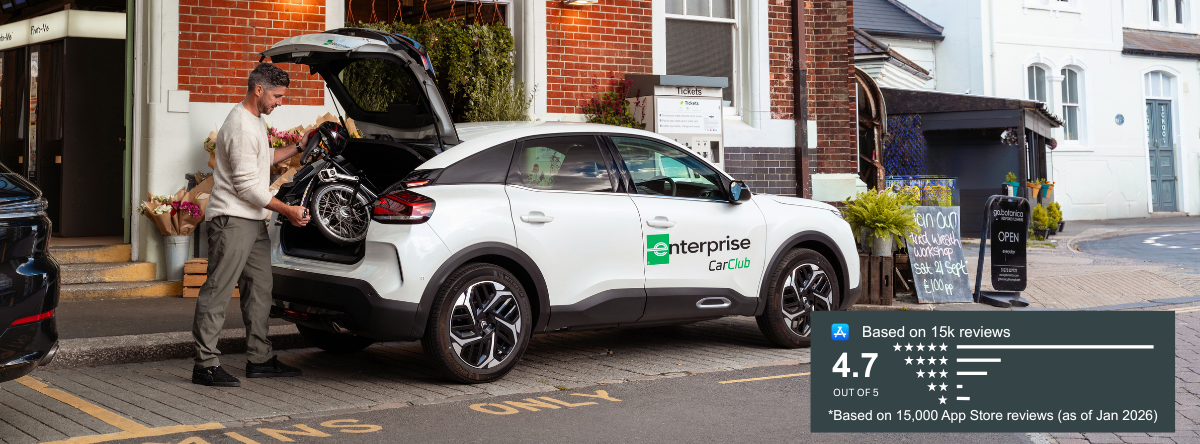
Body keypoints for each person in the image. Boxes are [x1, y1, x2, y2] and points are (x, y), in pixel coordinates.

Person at [192, 63, 312, 387]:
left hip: (253, 221)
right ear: (258, 90)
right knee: (217, 291)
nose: (280, 102)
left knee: (260, 290)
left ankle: (259, 359)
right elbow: (247, 188)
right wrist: (287, 210)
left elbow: (266, 159)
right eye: (277, 96)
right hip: (231, 220)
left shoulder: (255, 120)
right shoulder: (242, 126)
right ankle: (204, 364)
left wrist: (299, 148)